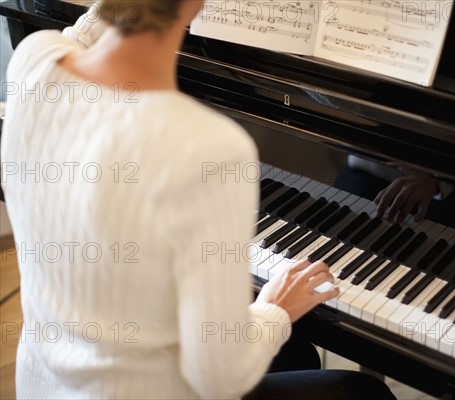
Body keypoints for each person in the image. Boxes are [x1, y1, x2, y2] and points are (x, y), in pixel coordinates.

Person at [0, 1, 396, 399]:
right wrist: (275, 308)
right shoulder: (204, 145)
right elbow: (219, 377)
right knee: (361, 392)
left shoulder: (34, 61)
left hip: (44, 385)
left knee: (294, 355)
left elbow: (84, 34)